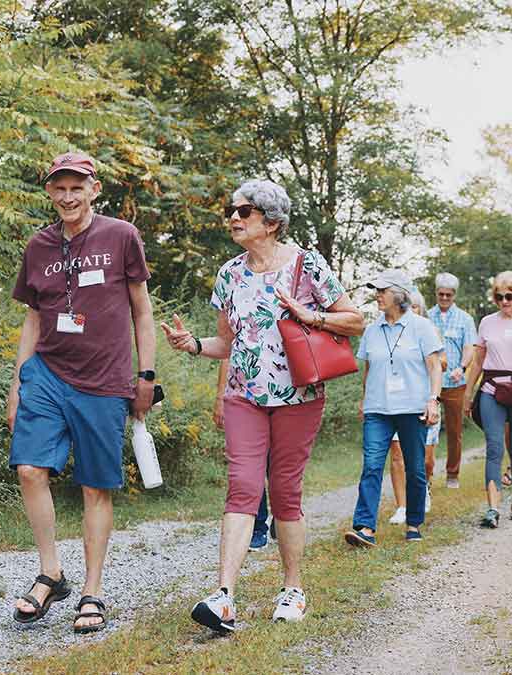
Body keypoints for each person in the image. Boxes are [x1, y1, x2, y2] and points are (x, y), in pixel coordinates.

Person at [161, 179, 363, 633]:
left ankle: (293, 588)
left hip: (298, 397)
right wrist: (191, 344)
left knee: (286, 492)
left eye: (244, 211)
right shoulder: (229, 274)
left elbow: (355, 321)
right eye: (231, 211)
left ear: (271, 222)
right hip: (244, 396)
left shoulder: (308, 265)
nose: (234, 218)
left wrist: (311, 315)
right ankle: (225, 597)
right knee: (242, 487)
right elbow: (226, 343)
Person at [6, 151, 157, 633]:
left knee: (95, 485)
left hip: (105, 379)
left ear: (94, 189)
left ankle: (92, 592)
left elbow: (142, 311)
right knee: (29, 468)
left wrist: (146, 377)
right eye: (59, 187)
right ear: (49, 192)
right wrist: (17, 382)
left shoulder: (120, 236)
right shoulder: (38, 246)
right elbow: (32, 315)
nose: (68, 196)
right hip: (47, 373)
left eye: (77, 187)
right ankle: (51, 573)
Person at [345, 271, 443, 547]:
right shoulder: (372, 330)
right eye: (375, 291)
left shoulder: (422, 327)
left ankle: (414, 523)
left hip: (413, 408)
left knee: (415, 468)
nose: (377, 295)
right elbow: (369, 368)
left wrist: (433, 399)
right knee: (372, 466)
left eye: (381, 290)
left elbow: (435, 367)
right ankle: (365, 527)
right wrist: (364, 399)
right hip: (378, 409)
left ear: (399, 295)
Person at [464, 271, 512, 528]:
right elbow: (477, 361)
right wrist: (467, 394)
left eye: (509, 296)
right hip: (491, 391)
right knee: (494, 447)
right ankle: (492, 508)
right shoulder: (487, 322)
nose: (504, 302)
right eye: (499, 297)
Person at [386, 289, 444, 525]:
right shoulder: (389, 332)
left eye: (415, 308)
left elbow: (442, 362)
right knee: (397, 455)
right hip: (394, 402)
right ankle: (402, 506)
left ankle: (423, 490)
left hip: (422, 404)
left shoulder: (428, 331)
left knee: (424, 461)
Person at [214, 359, 273, 551]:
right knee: (250, 468)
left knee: (279, 468)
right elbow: (226, 353)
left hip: (285, 399)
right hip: (245, 400)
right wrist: (220, 398)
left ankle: (283, 518)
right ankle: (257, 527)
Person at [427, 273, 477, 490]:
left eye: (448, 295)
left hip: (455, 383)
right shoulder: (427, 317)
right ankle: (426, 474)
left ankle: (452, 473)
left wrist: (462, 368)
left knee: (455, 431)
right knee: (428, 430)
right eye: (441, 294)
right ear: (436, 293)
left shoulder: (464, 319)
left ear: (454, 295)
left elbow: (469, 348)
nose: (444, 298)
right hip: (432, 383)